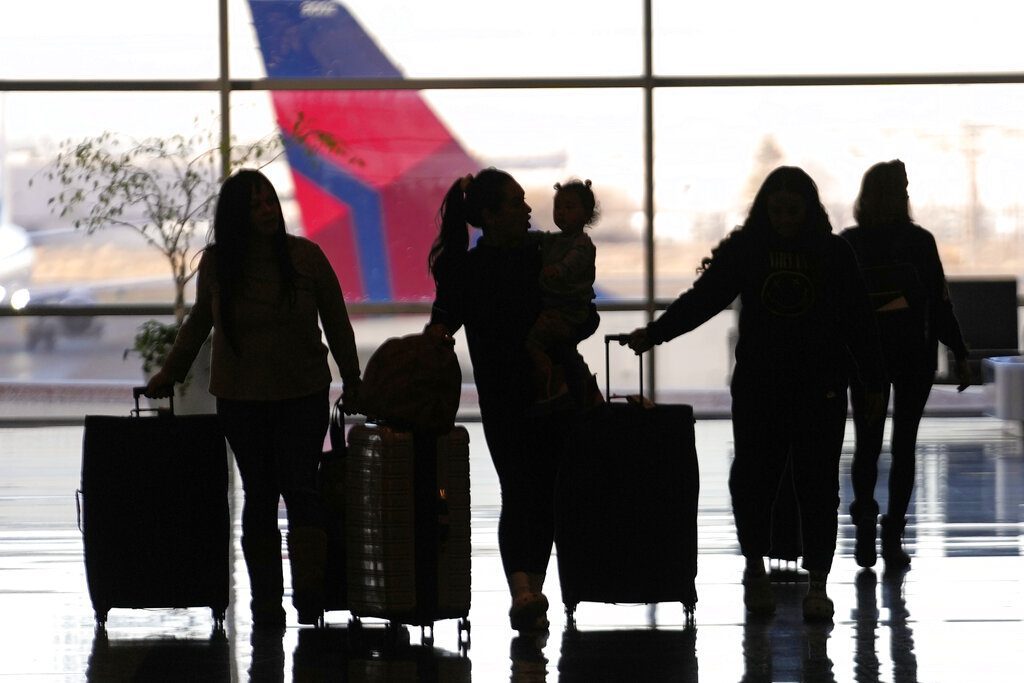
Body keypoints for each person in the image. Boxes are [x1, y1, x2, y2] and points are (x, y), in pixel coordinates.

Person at [624, 166, 885, 621]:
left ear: (807, 210)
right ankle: (761, 570)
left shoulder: (822, 252)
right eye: (777, 210)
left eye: (791, 210)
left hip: (806, 387)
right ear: (767, 209)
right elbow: (704, 298)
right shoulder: (773, 250)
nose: (784, 219)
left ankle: (810, 581)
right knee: (761, 482)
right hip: (775, 387)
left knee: (813, 486)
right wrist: (657, 333)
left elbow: (860, 323)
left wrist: (872, 383)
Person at [145, 169, 362, 629]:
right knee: (261, 494)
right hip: (243, 398)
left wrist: (354, 380)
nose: (267, 210)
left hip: (302, 393)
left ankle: (308, 593)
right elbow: (200, 322)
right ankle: (268, 602)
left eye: (270, 202)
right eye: (255, 205)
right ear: (237, 217)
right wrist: (171, 372)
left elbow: (338, 324)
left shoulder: (307, 258)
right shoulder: (220, 265)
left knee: (300, 490)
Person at [425, 168, 596, 632]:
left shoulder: (468, 268)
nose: (527, 209)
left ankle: (525, 589)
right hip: (549, 392)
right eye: (516, 202)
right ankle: (528, 588)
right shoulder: (537, 255)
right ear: (489, 215)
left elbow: (444, 321)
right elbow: (586, 314)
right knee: (541, 495)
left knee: (521, 492)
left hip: (504, 397)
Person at [841, 159, 970, 571]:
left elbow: (837, 308)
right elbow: (939, 301)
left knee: (867, 442)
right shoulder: (919, 242)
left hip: (867, 360)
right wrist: (960, 353)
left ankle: (862, 520)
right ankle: (892, 535)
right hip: (914, 355)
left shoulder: (849, 243)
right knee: (904, 446)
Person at [526, 179, 599, 407]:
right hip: (556, 308)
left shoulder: (582, 244)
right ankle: (573, 383)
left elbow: (574, 262)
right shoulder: (554, 240)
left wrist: (558, 270)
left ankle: (551, 374)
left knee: (533, 341)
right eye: (558, 207)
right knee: (562, 349)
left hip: (570, 309)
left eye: (570, 208)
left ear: (586, 214)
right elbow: (537, 238)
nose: (562, 213)